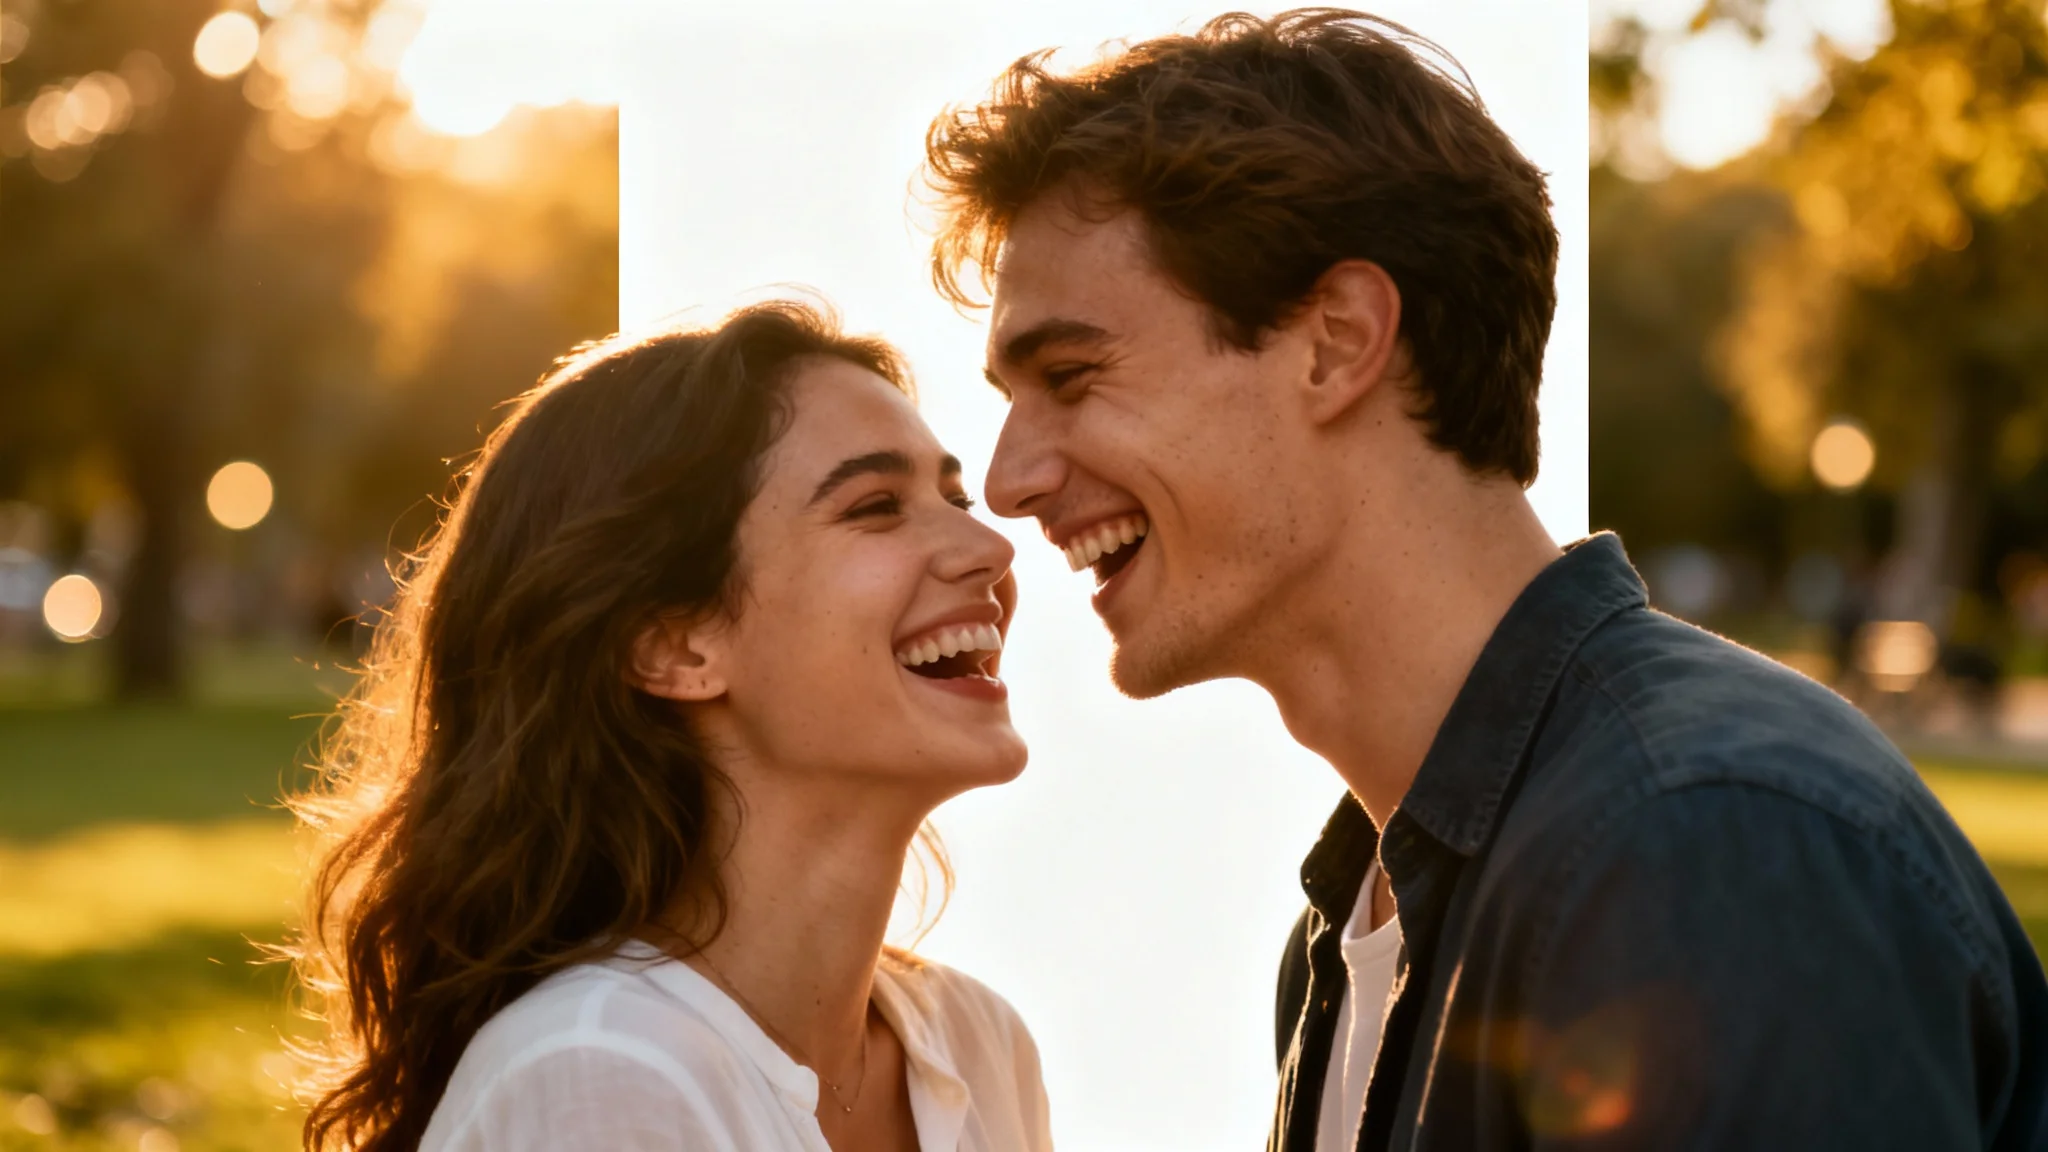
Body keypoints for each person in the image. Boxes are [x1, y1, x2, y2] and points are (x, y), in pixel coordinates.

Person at [924, 9, 2048, 1150]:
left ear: (1336, 340)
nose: (1009, 483)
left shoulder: (1698, 843)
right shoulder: (1359, 917)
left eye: (1069, 374)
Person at [289, 301, 1053, 1152]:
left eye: (953, 496)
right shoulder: (601, 1073)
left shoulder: (978, 1047)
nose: (990, 548)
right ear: (673, 645)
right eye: (876, 506)